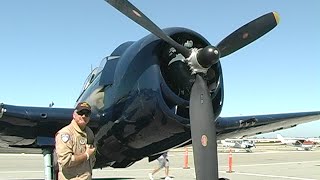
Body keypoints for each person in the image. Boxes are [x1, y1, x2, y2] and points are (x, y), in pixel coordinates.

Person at [55, 101, 96, 180]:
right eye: (81, 113)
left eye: (87, 114)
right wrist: (86, 155)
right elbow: (65, 161)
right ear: (74, 115)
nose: (84, 116)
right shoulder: (65, 134)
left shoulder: (89, 132)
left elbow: (92, 158)